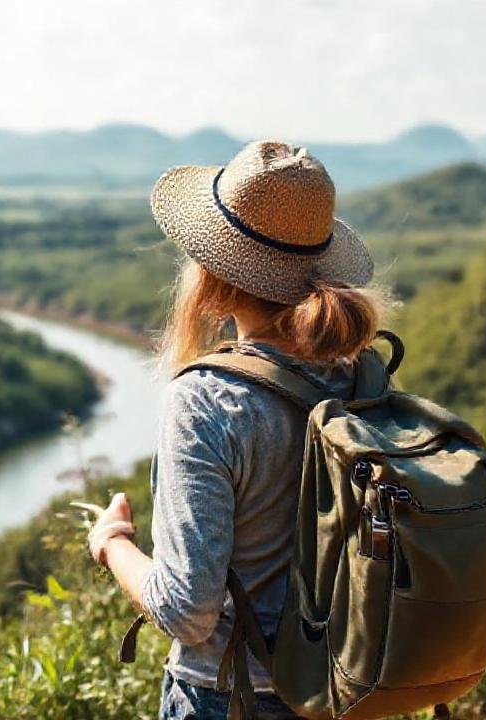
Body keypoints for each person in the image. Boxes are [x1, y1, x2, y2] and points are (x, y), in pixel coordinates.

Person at [84, 140, 389, 720]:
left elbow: (186, 610)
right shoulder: (362, 378)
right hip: (347, 688)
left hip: (230, 697)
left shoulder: (207, 400)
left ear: (216, 277)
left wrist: (112, 544)